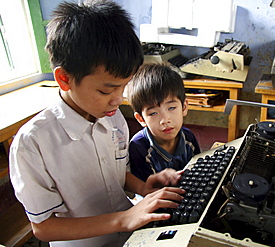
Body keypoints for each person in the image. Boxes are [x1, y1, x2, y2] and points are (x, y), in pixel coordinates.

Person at [9, 1, 185, 246]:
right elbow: (43, 227)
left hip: (130, 235)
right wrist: (123, 219)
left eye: (124, 87)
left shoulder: (113, 120)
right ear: (64, 78)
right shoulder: (33, 143)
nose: (119, 99)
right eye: (106, 90)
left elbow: (118, 175)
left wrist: (143, 187)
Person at [127, 63, 201, 182]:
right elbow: (148, 191)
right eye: (153, 113)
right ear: (141, 119)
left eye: (171, 108)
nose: (165, 120)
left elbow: (198, 170)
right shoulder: (139, 147)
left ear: (184, 107)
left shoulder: (188, 137)